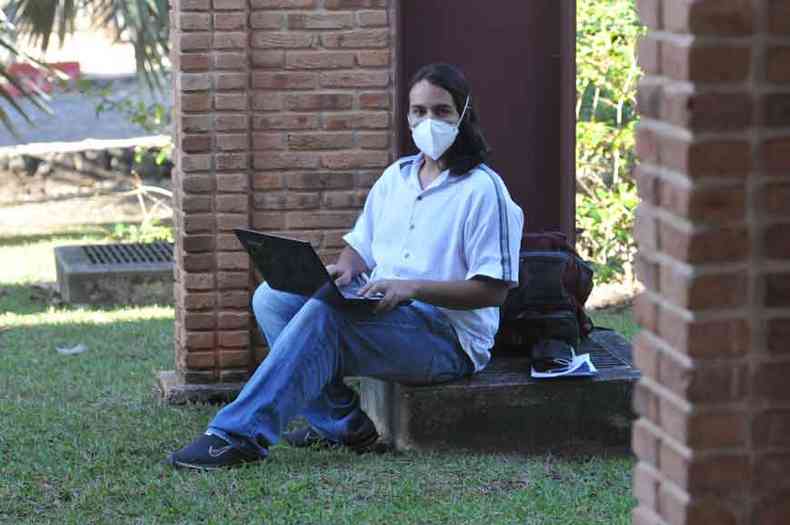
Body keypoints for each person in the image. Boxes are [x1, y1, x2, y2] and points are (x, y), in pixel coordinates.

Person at [167, 63, 525, 470]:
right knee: (272, 298)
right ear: (407, 116)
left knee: (325, 316)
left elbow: (493, 290)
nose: (429, 121)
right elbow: (361, 247)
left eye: (441, 111)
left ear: (463, 116)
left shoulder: (483, 190)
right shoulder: (397, 177)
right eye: (419, 111)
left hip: (447, 340)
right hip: (384, 311)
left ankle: (236, 436)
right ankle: (341, 424)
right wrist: (346, 269)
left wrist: (411, 288)